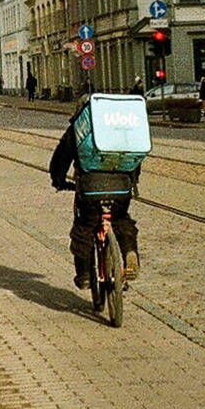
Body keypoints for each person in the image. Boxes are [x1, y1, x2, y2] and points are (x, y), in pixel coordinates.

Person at [48, 99, 139, 288]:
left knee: (84, 226)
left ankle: (85, 275)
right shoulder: (120, 124)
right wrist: (132, 179)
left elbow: (62, 156)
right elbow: (135, 155)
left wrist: (58, 180)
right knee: (121, 218)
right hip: (122, 186)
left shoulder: (80, 126)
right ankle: (130, 251)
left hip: (90, 187)